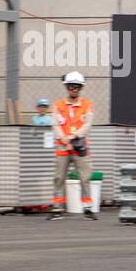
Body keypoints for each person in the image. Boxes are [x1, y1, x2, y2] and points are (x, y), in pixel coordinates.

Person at [48, 71, 96, 221]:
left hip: (79, 146)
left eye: (76, 86)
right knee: (59, 177)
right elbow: (55, 124)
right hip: (63, 146)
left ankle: (88, 208)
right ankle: (57, 208)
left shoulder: (88, 105)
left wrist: (73, 137)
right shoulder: (57, 105)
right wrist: (64, 139)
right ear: (67, 87)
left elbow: (87, 124)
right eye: (71, 86)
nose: (73, 89)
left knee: (85, 177)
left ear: (81, 88)